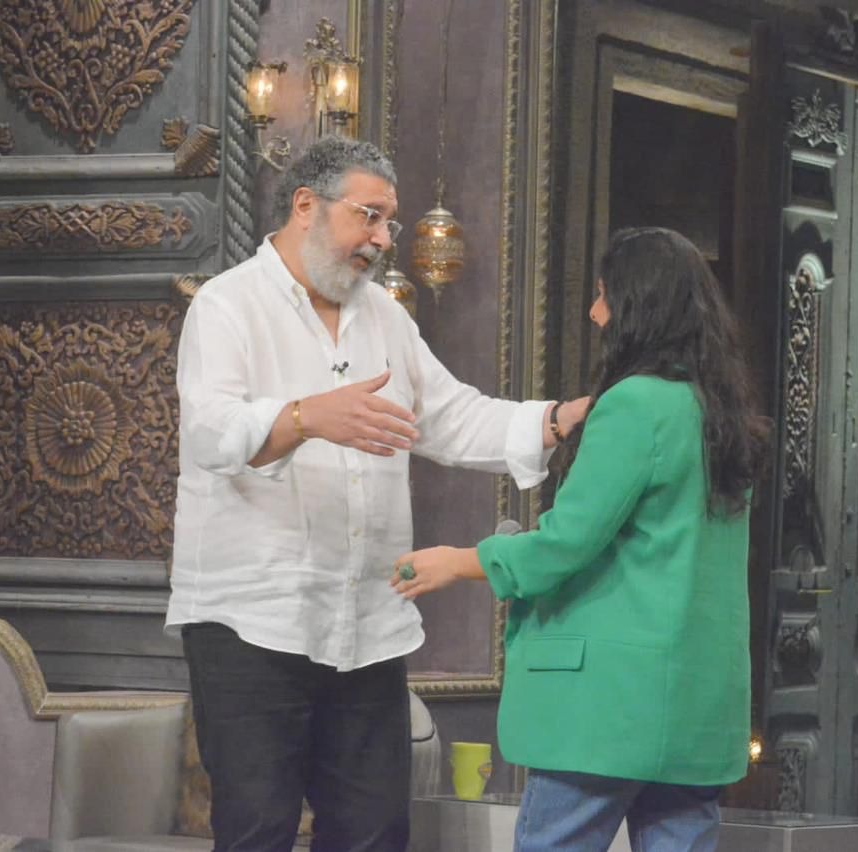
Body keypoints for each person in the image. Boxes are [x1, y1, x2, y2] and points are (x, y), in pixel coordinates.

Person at [167, 136, 588, 852]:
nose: (384, 240)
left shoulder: (385, 317)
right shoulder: (227, 305)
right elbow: (211, 433)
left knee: (375, 833)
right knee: (257, 830)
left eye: (389, 222)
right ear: (306, 206)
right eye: (369, 217)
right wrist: (305, 417)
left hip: (366, 622)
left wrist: (553, 421)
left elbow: (449, 416)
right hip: (251, 622)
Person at [392, 226, 770, 852]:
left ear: (636, 304)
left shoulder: (634, 404)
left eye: (602, 295)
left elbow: (565, 544)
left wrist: (460, 561)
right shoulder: (718, 410)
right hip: (699, 703)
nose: (595, 314)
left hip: (612, 706)